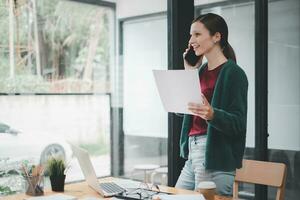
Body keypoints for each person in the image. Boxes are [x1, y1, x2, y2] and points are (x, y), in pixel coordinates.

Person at [175, 13, 248, 196]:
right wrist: (189, 72)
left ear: (217, 36)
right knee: (173, 196)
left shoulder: (234, 73)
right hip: (193, 153)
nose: (191, 40)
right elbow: (185, 110)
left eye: (197, 34)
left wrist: (212, 114)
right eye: (191, 35)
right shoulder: (199, 72)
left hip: (213, 156)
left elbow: (238, 123)